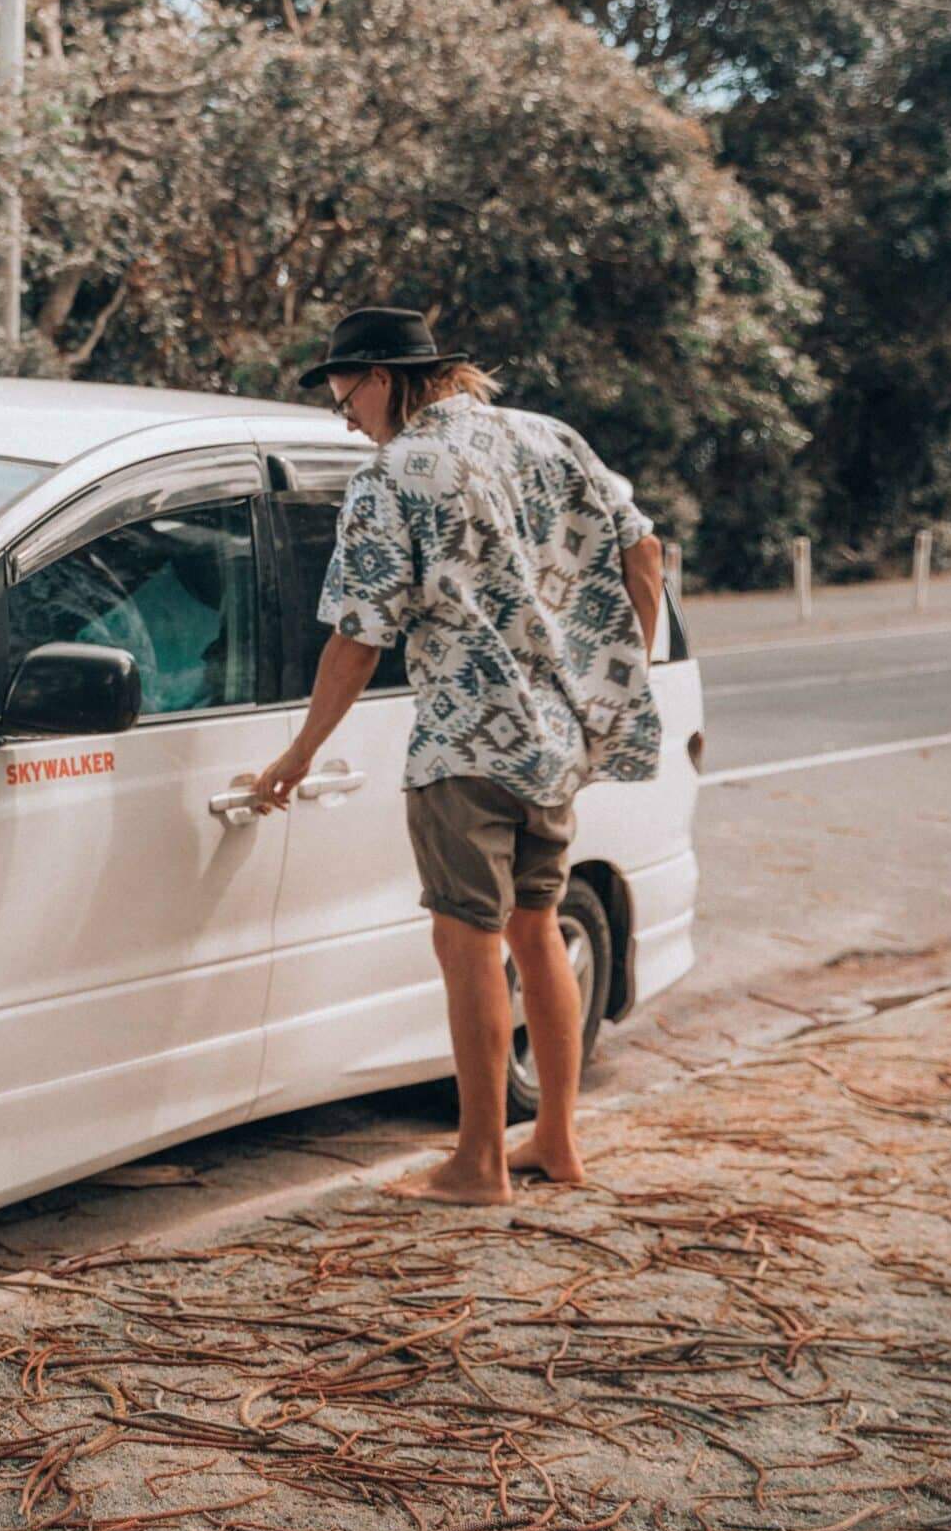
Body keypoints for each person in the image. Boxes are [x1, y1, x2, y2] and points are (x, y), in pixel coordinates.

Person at [255, 307, 666, 1206]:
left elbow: (357, 638)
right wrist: (604, 677)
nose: (343, 413)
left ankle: (479, 1161)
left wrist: (298, 753)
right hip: (551, 743)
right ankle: (555, 1138)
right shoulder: (550, 438)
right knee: (538, 928)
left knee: (469, 942)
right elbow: (646, 550)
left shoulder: (393, 476)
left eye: (342, 391)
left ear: (383, 377)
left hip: (463, 749)